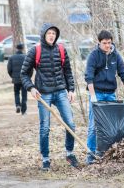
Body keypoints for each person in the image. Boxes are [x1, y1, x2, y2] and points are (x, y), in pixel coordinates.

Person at [21, 23, 78, 171]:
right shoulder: (35, 50)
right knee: (45, 128)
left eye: (54, 33)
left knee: (70, 124)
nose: (52, 35)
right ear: (43, 35)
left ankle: (70, 153)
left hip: (60, 92)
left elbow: (68, 72)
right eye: (49, 33)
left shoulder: (61, 49)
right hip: (43, 94)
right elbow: (24, 73)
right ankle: (45, 159)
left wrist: (71, 89)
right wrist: (31, 88)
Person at [84, 30, 124, 164]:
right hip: (97, 94)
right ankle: (91, 156)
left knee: (113, 126)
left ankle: (111, 154)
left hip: (110, 94)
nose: (107, 46)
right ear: (99, 42)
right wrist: (93, 96)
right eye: (104, 43)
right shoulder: (94, 55)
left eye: (109, 43)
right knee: (94, 126)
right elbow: (89, 76)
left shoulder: (116, 55)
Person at [7, 43, 30, 115]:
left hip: (16, 79)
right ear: (23, 49)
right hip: (24, 79)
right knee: (24, 95)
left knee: (16, 93)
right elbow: (30, 69)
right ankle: (24, 111)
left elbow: (9, 69)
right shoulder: (26, 57)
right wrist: (28, 77)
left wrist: (13, 76)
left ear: (16, 48)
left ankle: (17, 105)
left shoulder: (12, 57)